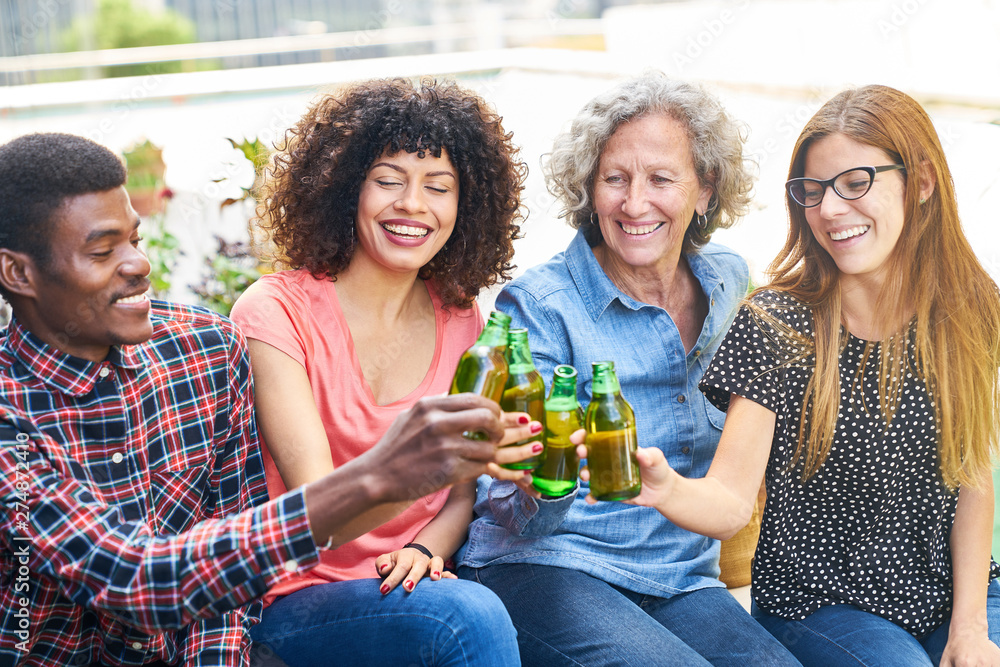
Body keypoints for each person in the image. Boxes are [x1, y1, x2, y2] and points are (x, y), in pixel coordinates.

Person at [0, 132, 538, 667]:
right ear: (18, 273)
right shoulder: (10, 422)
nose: (138, 266)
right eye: (101, 250)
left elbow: (228, 553)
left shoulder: (203, 349)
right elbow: (139, 580)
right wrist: (391, 473)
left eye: (135, 242)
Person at [618, 85, 1000, 666]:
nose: (830, 210)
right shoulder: (776, 325)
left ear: (920, 183)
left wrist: (970, 627)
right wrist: (668, 489)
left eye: (855, 184)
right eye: (813, 192)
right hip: (823, 609)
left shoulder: (971, 310)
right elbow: (729, 501)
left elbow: (972, 476)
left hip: (953, 594)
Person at [457, 72, 799, 666]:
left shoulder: (729, 282)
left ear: (706, 190)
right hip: (547, 568)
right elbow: (510, 510)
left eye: (661, 179)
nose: (635, 203)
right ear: (590, 190)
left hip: (680, 578)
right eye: (614, 179)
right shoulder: (541, 305)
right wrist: (540, 478)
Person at [229, 77, 532, 667]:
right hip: (297, 597)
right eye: (388, 181)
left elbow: (460, 496)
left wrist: (424, 548)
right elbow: (319, 515)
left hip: (414, 586)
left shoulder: (462, 314)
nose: (413, 205)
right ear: (345, 191)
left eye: (438, 187)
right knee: (467, 616)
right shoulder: (275, 311)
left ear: (464, 207)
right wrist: (431, 463)